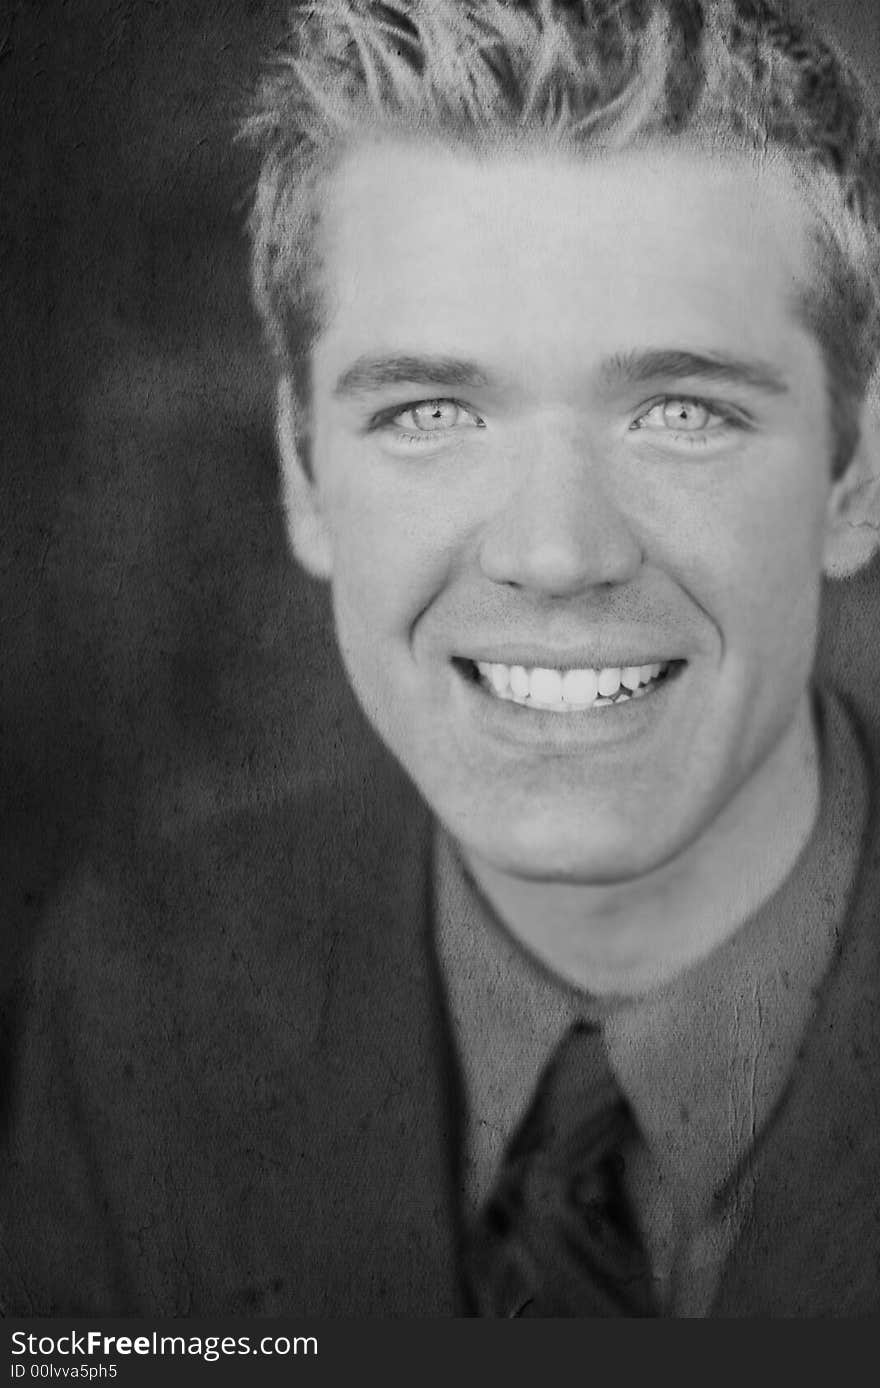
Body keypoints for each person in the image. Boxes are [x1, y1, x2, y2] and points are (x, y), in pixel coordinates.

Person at [2, 0, 880, 1317]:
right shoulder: (141, 999)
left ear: (856, 472)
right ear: (305, 472)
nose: (556, 552)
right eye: (429, 410)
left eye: (682, 409)